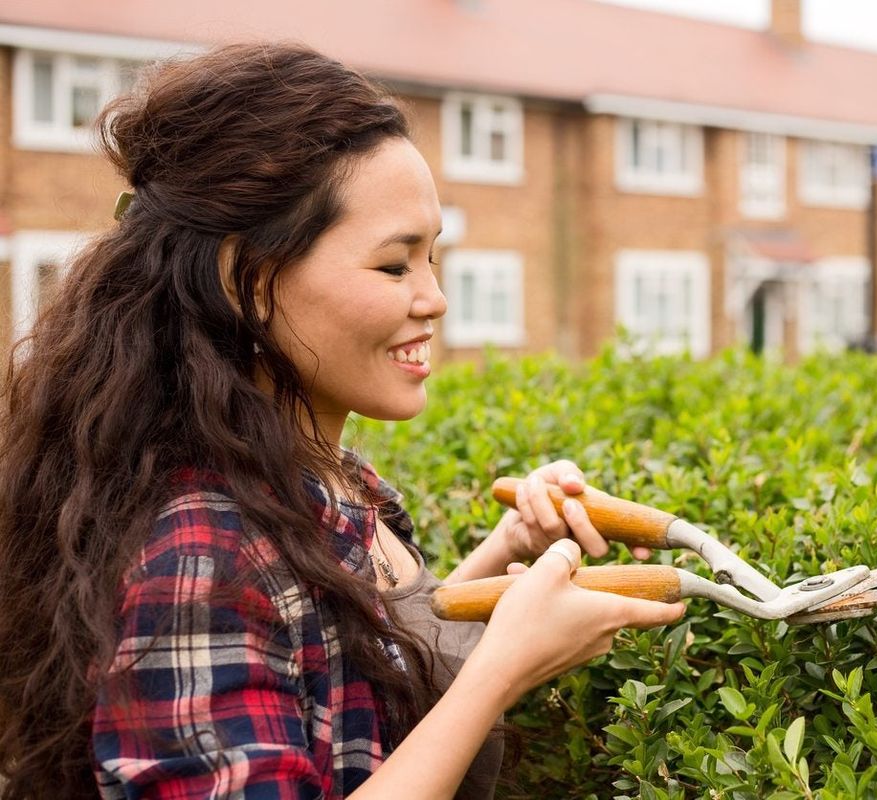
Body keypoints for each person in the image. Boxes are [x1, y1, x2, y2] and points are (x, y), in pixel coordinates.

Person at [0, 43, 684, 800]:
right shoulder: (200, 550)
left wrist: (510, 552)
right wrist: (499, 673)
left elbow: (359, 677)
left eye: (432, 259)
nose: (434, 298)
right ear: (247, 280)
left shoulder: (336, 483)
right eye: (395, 265)